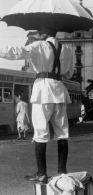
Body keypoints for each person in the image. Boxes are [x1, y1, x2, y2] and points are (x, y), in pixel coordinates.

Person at [0, 23, 74, 184]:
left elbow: (17, 52)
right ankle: (62, 172)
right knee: (62, 132)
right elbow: (69, 73)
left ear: (42, 34)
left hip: (43, 90)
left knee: (40, 132)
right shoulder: (67, 50)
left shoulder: (39, 45)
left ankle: (42, 174)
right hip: (60, 90)